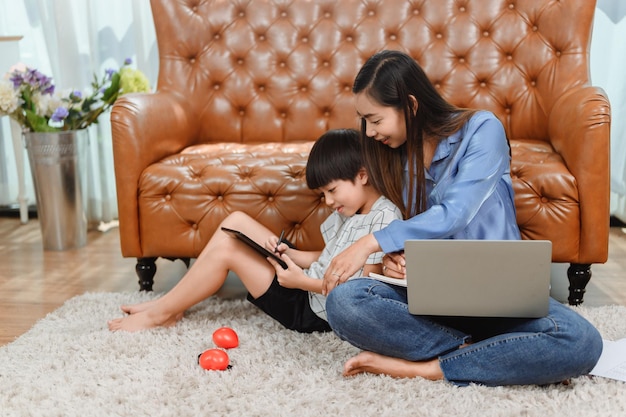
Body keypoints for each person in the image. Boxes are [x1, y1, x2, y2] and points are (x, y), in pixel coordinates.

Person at [321, 50, 603, 386]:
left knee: (580, 340)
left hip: (500, 298)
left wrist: (370, 243)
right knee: (344, 303)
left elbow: (455, 214)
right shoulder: (402, 162)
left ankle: (429, 367)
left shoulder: (482, 130)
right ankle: (480, 353)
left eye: (375, 119)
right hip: (433, 300)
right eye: (364, 121)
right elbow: (418, 238)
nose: (368, 132)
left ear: (410, 106)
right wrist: (397, 261)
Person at [108, 128, 401, 333]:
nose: (328, 201)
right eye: (324, 193)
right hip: (305, 281)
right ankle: (169, 304)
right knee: (235, 221)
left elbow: (363, 290)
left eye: (332, 190)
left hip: (312, 308)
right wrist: (293, 255)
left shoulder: (384, 219)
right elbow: (329, 257)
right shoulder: (351, 209)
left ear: (362, 175)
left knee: (228, 250)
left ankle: (160, 314)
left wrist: (301, 283)